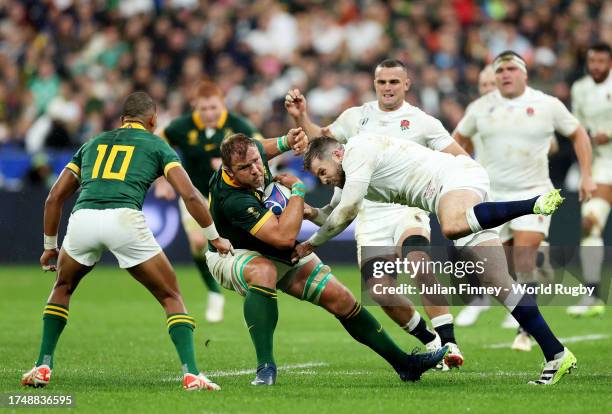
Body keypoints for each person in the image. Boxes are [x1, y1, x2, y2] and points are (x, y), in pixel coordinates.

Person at [299, 134, 577, 385]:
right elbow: (330, 214)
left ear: (337, 155)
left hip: (453, 180)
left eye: (322, 172)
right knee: (498, 281)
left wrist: (311, 244)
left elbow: (347, 211)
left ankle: (531, 204)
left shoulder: (358, 151)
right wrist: (308, 211)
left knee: (452, 224)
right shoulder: (349, 172)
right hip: (455, 192)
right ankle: (557, 354)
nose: (323, 179)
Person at [21, 92, 232, 391]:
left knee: (62, 287)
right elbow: (190, 195)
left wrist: (49, 248)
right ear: (153, 121)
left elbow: (54, 197)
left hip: (84, 218)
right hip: (124, 219)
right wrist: (215, 237)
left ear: (122, 120)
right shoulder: (157, 144)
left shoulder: (92, 143)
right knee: (171, 296)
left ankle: (42, 365)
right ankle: (191, 374)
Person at [205, 133, 448, 386]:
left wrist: (284, 142)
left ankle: (405, 365)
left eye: (257, 161)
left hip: (272, 251)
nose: (256, 170)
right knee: (263, 271)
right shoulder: (232, 198)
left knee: (342, 299)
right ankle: (265, 368)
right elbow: (284, 238)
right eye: (245, 168)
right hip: (232, 254)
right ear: (229, 172)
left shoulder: (253, 157)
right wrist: (298, 191)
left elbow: (261, 149)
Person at [285, 59, 467, 369]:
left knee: (419, 262)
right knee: (380, 291)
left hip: (408, 206)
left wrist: (461, 191)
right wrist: (303, 116)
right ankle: (433, 344)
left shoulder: (423, 122)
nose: (388, 88)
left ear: (406, 84)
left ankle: (450, 340)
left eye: (394, 82)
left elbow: (459, 158)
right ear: (374, 83)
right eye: (382, 82)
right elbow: (323, 143)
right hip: (369, 212)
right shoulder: (357, 116)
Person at [453, 51, 595, 351]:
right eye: (500, 70)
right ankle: (534, 283)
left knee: (525, 254)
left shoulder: (546, 104)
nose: (505, 74)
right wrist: (460, 175)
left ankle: (524, 330)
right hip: (494, 197)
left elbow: (579, 134)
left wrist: (586, 175)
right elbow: (456, 141)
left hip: (535, 193)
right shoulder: (480, 108)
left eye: (510, 69)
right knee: (500, 269)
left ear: (524, 74)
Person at [154, 80, 263, 323]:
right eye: (203, 109)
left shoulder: (238, 126)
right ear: (195, 107)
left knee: (240, 246)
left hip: (230, 195)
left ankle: (251, 295)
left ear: (223, 105)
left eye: (213, 108)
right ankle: (214, 292)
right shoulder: (182, 126)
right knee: (196, 242)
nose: (209, 114)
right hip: (195, 194)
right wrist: (162, 179)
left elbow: (262, 152)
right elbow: (156, 142)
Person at [568, 42, 612, 317]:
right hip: (600, 163)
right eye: (591, 60)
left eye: (601, 61)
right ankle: (593, 294)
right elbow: (576, 126)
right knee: (589, 222)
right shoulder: (580, 88)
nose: (596, 65)